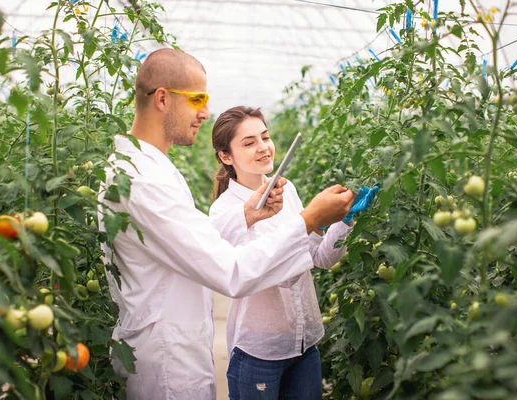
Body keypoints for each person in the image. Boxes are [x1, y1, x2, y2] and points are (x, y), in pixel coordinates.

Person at [96, 48, 356, 400]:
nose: (204, 112)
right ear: (162, 98)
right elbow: (231, 271)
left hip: (179, 344)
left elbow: (190, 239)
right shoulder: (144, 181)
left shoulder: (152, 169)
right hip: (168, 360)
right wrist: (309, 218)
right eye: (197, 99)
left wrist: (249, 215)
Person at [209, 106, 357, 399]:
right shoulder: (225, 212)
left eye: (265, 137)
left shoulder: (287, 192)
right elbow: (272, 274)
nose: (263, 147)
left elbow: (320, 258)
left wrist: (344, 219)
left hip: (305, 345)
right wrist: (311, 219)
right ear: (226, 156)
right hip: (259, 353)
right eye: (249, 143)